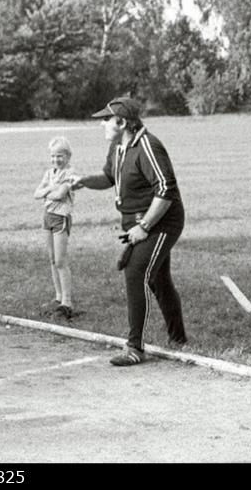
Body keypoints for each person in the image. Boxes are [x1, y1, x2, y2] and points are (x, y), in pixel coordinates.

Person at [71, 96, 187, 366]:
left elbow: (166, 190)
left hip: (162, 222)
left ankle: (135, 348)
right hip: (138, 222)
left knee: (136, 272)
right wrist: (84, 182)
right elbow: (110, 178)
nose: (102, 125)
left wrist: (144, 226)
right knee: (159, 279)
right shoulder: (118, 147)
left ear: (122, 122)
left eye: (106, 120)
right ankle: (179, 339)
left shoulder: (148, 146)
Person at [33, 136, 77, 319]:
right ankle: (58, 296)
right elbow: (36, 194)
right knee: (52, 259)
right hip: (48, 217)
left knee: (60, 260)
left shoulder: (70, 174)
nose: (55, 160)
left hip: (61, 218)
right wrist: (50, 188)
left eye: (60, 156)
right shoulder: (50, 173)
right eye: (52, 156)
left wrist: (48, 191)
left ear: (67, 156)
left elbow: (60, 195)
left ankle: (67, 300)